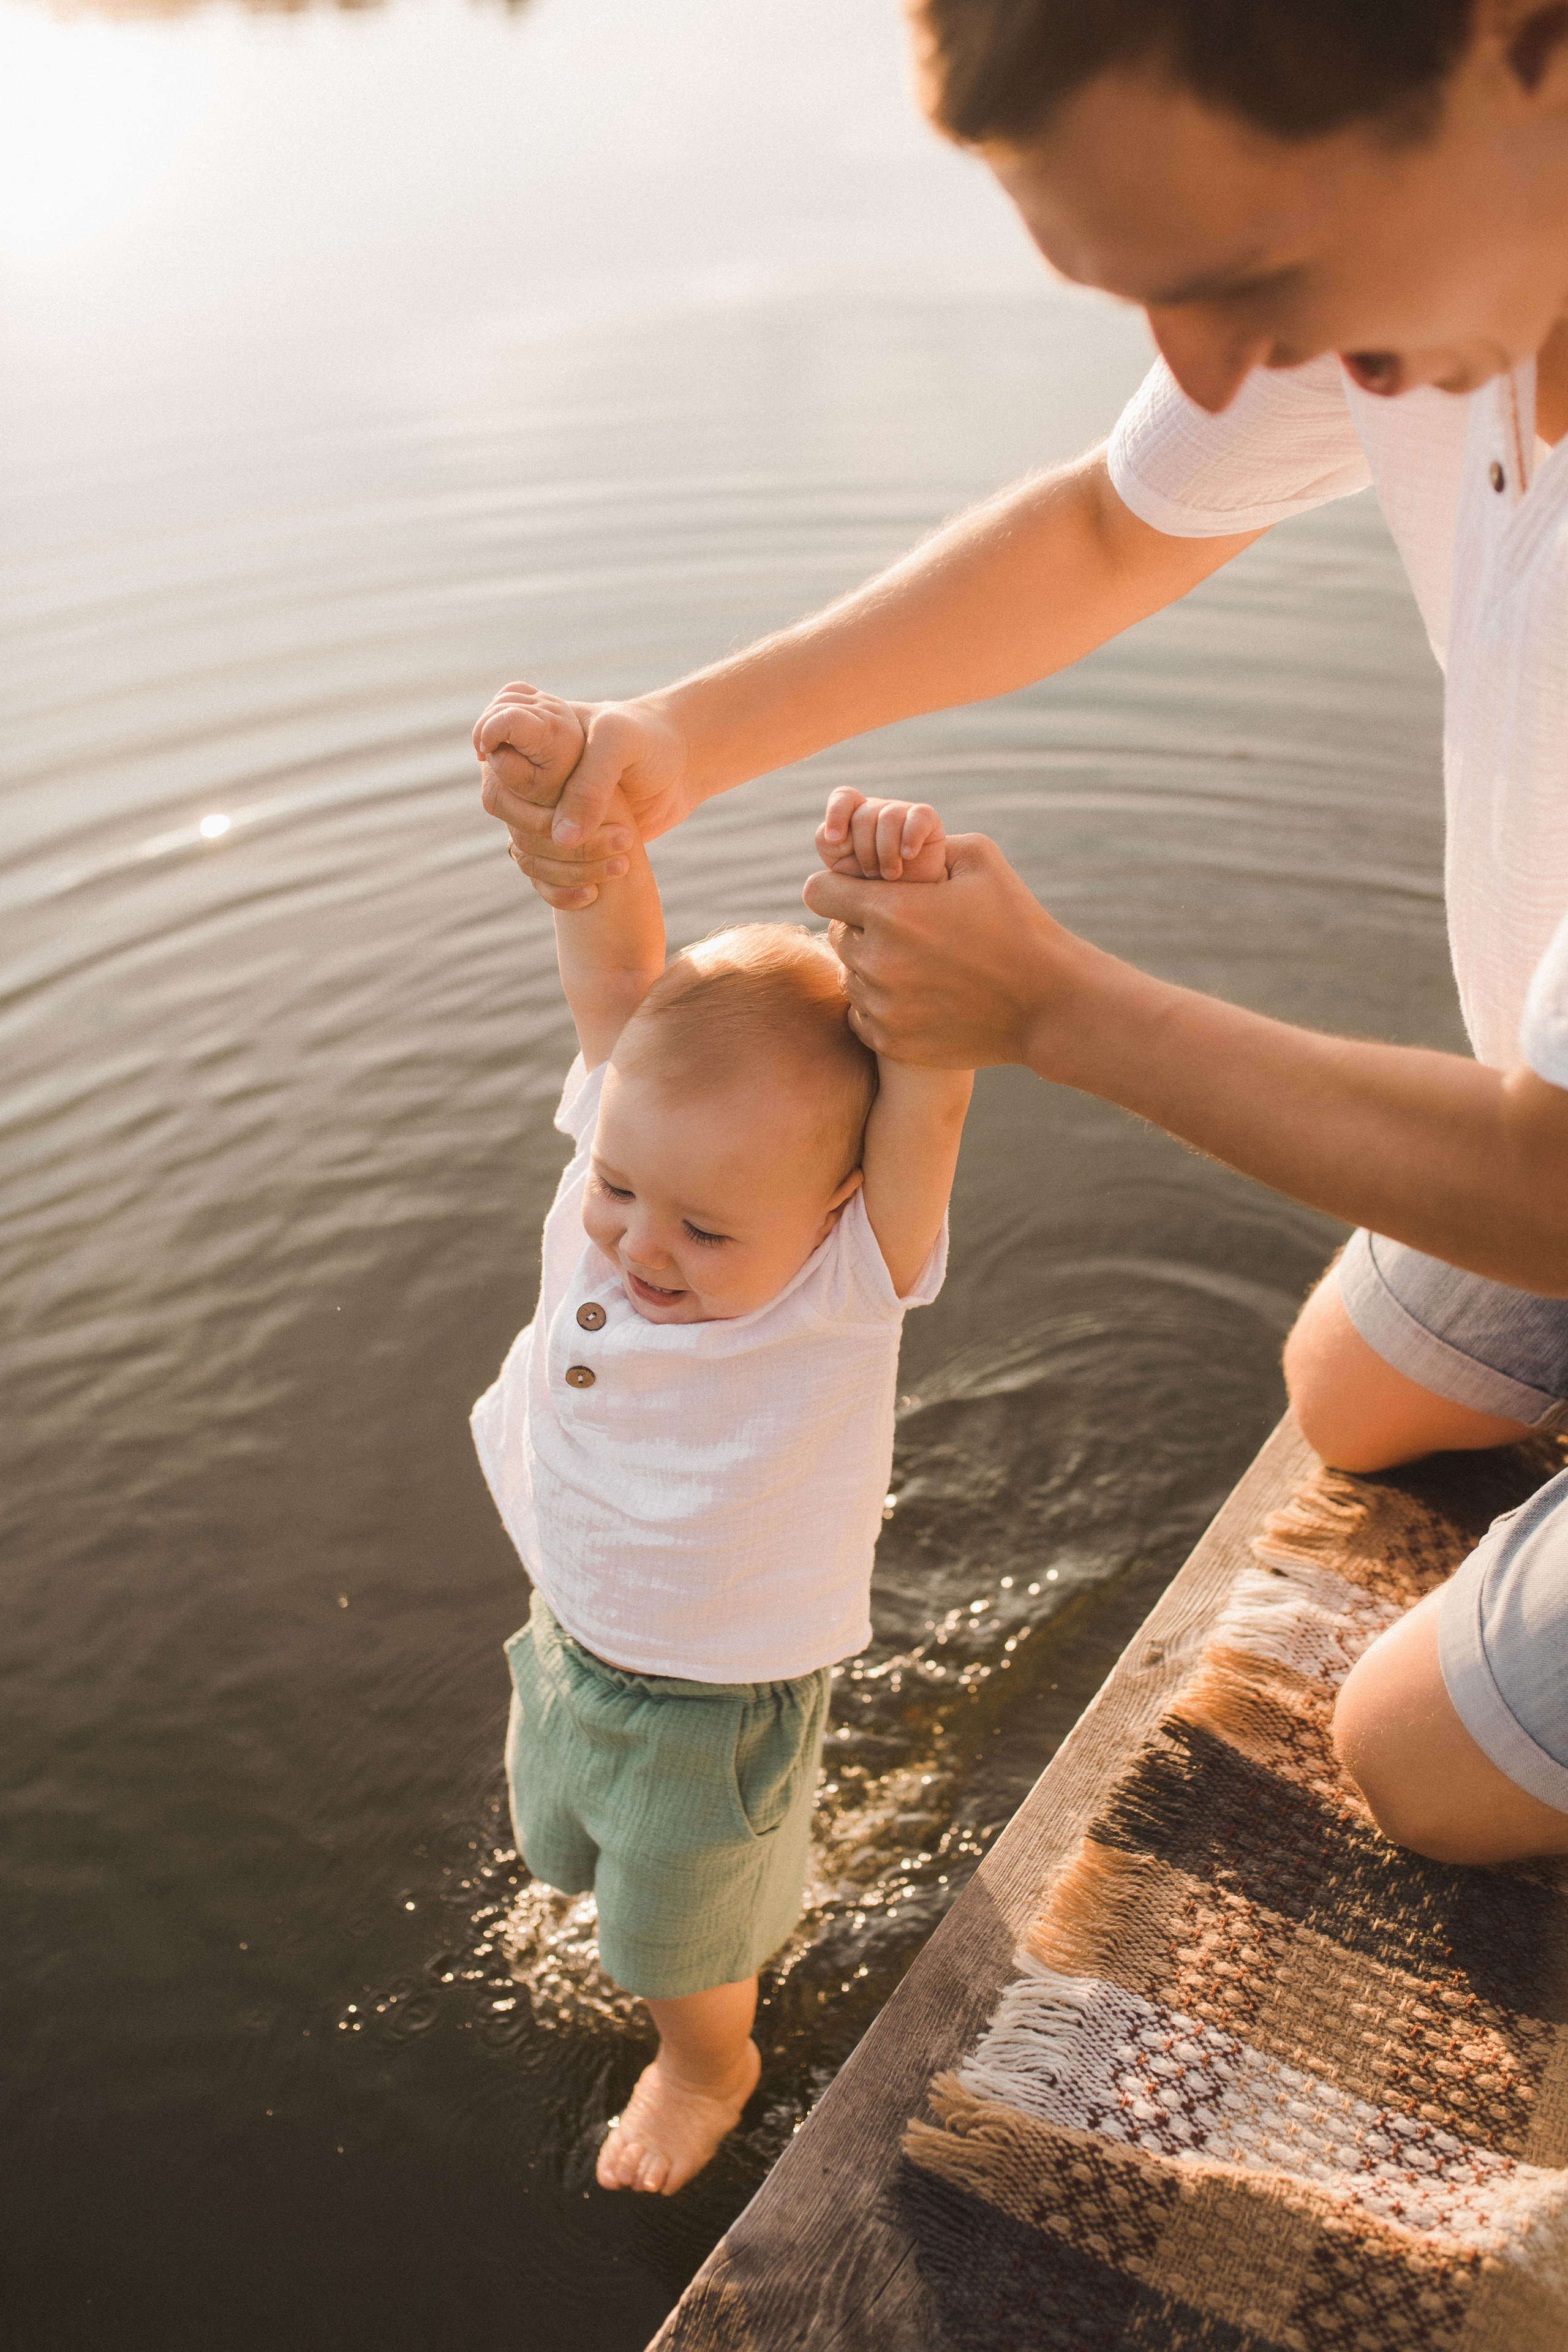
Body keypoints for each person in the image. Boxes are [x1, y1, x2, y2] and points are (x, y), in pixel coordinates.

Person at [476, 4, 1568, 1873]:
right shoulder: (1434, 238)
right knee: (1344, 1396)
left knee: (1417, 1760)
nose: (1218, 362)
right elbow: (1101, 528)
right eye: (1140, 290)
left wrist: (1056, 1010)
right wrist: (677, 746)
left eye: (1239, 269)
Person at [469, 691, 971, 2193]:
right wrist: (589, 828)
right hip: (568, 1624)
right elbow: (615, 982)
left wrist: (903, 927)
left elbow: (928, 1097)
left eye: (702, 1227)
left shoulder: (842, 1280)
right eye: (623, 1193)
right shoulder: (629, 1141)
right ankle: (653, 1949)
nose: (637, 1247)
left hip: (712, 1695)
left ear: (827, 1216)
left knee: (680, 1930)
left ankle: (710, 2063)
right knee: (561, 1843)